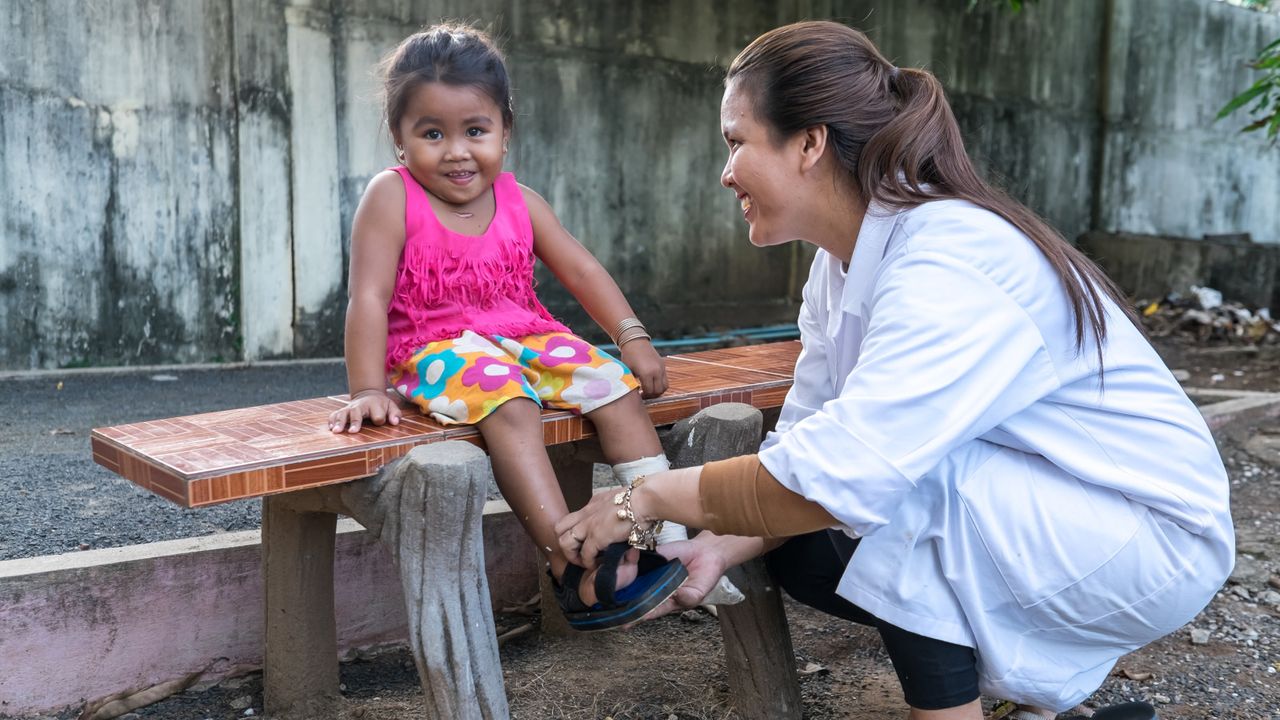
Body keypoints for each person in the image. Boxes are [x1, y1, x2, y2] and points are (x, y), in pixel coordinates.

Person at [556, 20, 1233, 719]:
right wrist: (712, 550)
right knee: (805, 549)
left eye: (736, 142)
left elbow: (849, 471)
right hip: (1049, 512)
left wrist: (643, 500)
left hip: (1147, 539)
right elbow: (803, 453)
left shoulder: (948, 255)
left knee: (897, 487)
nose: (726, 173)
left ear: (810, 142)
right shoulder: (838, 263)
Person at [326, 23, 740, 631]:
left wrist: (632, 337)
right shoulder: (393, 197)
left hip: (524, 335)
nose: (457, 151)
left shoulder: (520, 200)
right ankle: (570, 561)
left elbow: (581, 268)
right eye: (431, 133)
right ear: (399, 138)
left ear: (505, 130)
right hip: (435, 346)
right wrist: (366, 387)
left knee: (616, 390)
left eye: (475, 131)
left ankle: (662, 543)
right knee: (510, 400)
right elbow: (368, 295)